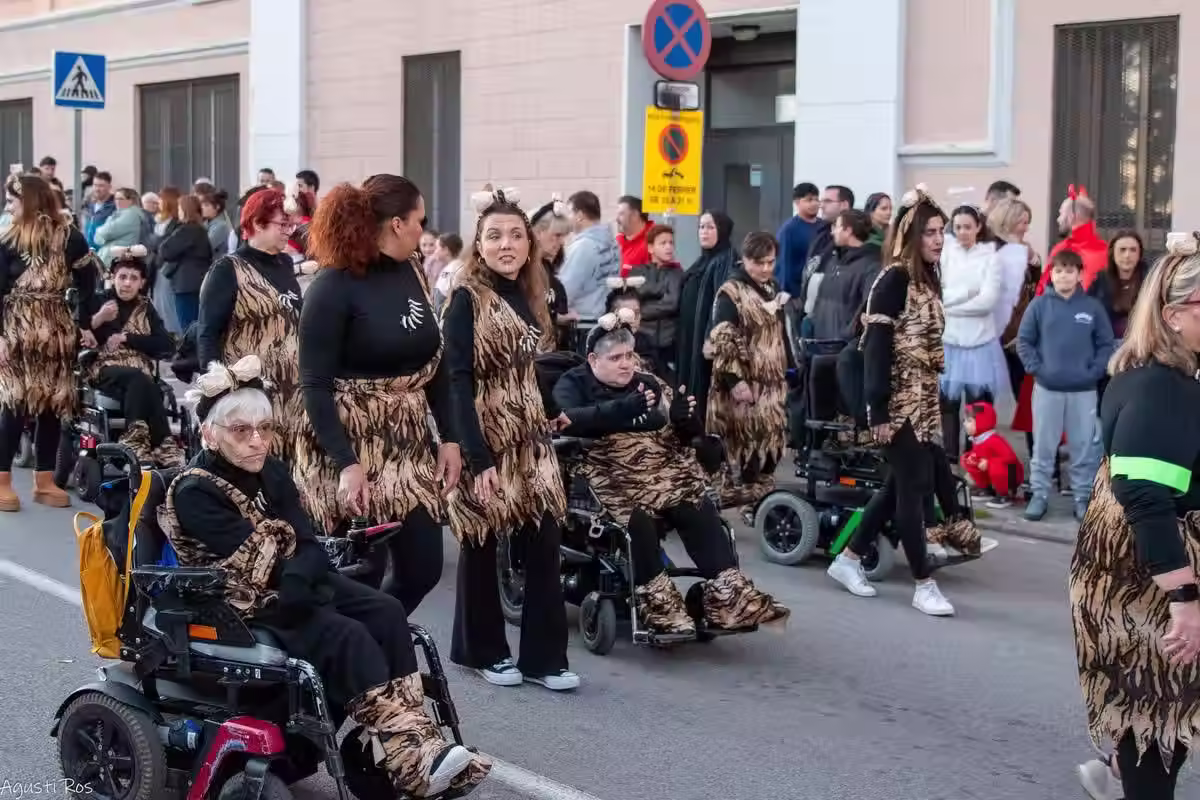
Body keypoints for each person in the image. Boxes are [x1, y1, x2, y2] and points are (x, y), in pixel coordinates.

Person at [164, 357, 489, 796]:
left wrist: (304, 562)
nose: (257, 441)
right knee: (345, 635)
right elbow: (264, 560)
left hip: (291, 583)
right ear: (209, 433)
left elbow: (305, 539)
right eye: (241, 431)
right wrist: (302, 561)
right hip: (235, 600)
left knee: (386, 609)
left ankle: (412, 746)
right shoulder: (194, 490)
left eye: (264, 428)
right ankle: (411, 756)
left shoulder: (270, 471)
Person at [554, 310, 788, 634]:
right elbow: (568, 420)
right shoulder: (573, 383)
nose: (626, 364)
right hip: (607, 469)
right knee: (639, 518)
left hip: (661, 466)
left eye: (630, 356)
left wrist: (683, 420)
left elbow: (683, 437)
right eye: (616, 358)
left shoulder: (649, 383)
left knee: (696, 504)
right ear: (593, 359)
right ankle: (659, 605)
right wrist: (623, 409)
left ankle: (728, 595)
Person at [1069, 231, 1200, 800]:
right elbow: (1146, 495)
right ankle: (1127, 767)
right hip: (1144, 587)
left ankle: (1119, 764)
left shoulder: (1161, 376)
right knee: (1157, 732)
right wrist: (1185, 601)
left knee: (1159, 724)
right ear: (1173, 315)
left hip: (1134, 578)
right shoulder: (1159, 388)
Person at [296, 175, 459, 612]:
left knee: (423, 568)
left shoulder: (410, 272)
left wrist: (449, 437)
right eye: (420, 221)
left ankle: (375, 637)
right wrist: (346, 464)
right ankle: (359, 659)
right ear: (397, 224)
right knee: (361, 574)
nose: (425, 232)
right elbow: (314, 384)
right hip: (351, 444)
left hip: (408, 443)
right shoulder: (332, 287)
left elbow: (435, 362)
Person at [443, 186, 578, 692]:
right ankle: (481, 650)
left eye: (516, 235)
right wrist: (475, 456)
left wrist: (552, 410)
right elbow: (455, 378)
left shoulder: (532, 293)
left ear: (530, 244)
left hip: (530, 437)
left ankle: (545, 658)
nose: (507, 245)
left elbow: (529, 369)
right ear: (479, 243)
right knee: (481, 540)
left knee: (544, 538)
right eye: (495, 235)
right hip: (482, 438)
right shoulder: (464, 297)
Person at [825, 185, 958, 616]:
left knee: (899, 484)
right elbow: (875, 348)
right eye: (930, 232)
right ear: (910, 236)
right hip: (896, 403)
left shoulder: (928, 277)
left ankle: (848, 559)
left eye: (942, 231)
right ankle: (923, 582)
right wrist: (877, 409)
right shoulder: (894, 278)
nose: (938, 239)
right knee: (913, 485)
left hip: (923, 399)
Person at [0, 174, 97, 511]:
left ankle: (45, 480)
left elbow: (88, 280)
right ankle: (2, 481)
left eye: (12, 199)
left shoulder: (70, 236)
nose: (8, 206)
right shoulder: (8, 238)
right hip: (16, 328)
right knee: (14, 403)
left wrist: (81, 320)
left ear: (29, 200)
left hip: (56, 330)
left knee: (51, 406)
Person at [197, 188, 303, 461]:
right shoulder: (227, 269)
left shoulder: (286, 263)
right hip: (250, 395)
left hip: (292, 394)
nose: (289, 231)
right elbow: (207, 333)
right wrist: (216, 394)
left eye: (292, 224)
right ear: (257, 223)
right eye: (283, 224)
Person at [1017, 249, 1113, 521]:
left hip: (1083, 391)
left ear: (1080, 274)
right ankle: (1039, 495)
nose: (1064, 276)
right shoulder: (1039, 306)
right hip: (1047, 389)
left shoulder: (1092, 308)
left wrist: (1094, 371)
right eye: (1058, 271)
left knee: (1083, 448)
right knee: (1044, 447)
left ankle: (1083, 497)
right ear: (1051, 273)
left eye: (1070, 271)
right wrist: (1037, 369)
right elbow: (1024, 341)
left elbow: (1106, 343)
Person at [705, 231, 792, 509]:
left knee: (772, 440)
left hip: (772, 381)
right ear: (744, 260)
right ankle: (746, 499)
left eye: (770, 262)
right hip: (745, 381)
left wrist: (791, 365)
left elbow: (779, 333)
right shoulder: (731, 292)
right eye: (759, 263)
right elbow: (723, 338)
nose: (766, 269)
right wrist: (734, 381)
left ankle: (761, 498)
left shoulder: (772, 287)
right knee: (746, 442)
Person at [86, 246, 182, 467]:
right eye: (122, 277)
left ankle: (154, 445)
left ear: (142, 283)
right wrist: (100, 318)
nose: (127, 283)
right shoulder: (99, 302)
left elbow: (166, 344)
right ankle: (148, 440)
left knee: (147, 382)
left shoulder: (146, 308)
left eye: (133, 278)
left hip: (140, 372)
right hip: (105, 368)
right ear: (113, 278)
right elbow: (78, 336)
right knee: (141, 379)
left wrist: (127, 338)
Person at [939, 204, 1007, 462]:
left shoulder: (991, 257)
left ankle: (977, 457)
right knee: (948, 404)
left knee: (978, 407)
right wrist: (967, 294)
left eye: (968, 226)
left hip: (980, 342)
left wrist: (951, 305)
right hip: (950, 341)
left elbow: (988, 301)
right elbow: (939, 295)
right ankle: (949, 458)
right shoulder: (945, 254)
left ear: (978, 227)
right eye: (958, 227)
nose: (963, 232)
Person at [677, 210, 738, 421]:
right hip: (690, 335)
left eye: (710, 227)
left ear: (722, 231)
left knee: (702, 386)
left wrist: (710, 337)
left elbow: (722, 302)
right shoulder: (703, 260)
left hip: (706, 338)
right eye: (701, 227)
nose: (704, 232)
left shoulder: (725, 260)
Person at [808, 209, 882, 340]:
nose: (832, 232)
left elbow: (867, 309)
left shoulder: (872, 266)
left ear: (848, 230)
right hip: (820, 345)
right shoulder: (833, 261)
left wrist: (847, 336)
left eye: (836, 227)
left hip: (844, 349)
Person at [624, 223, 683, 378]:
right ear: (650, 248)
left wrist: (641, 310)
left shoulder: (676, 273)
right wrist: (659, 291)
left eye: (671, 243)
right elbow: (630, 300)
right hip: (641, 342)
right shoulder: (637, 271)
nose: (668, 247)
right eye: (663, 243)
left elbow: (671, 303)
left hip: (667, 343)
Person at [559, 190, 620, 318]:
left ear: (580, 215)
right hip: (606, 317)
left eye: (570, 212)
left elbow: (565, 292)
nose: (567, 218)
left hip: (584, 321)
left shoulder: (584, 247)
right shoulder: (612, 243)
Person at [1037, 184, 1107, 295]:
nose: (1058, 219)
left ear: (1072, 216)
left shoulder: (1063, 249)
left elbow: (1043, 288)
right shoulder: (1105, 249)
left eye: (1061, 214)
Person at [158, 194, 213, 331]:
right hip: (197, 282)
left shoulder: (188, 229)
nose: (178, 211)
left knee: (188, 325)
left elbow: (165, 250)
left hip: (186, 284)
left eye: (180, 208)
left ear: (186, 209)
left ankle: (192, 352)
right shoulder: (200, 230)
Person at [960, 401, 1022, 509]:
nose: (965, 424)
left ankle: (1003, 494)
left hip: (1011, 475)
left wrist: (989, 462)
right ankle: (985, 489)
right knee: (967, 459)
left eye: (969, 421)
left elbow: (1010, 458)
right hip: (992, 471)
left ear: (982, 422)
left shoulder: (994, 440)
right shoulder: (978, 439)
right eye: (965, 420)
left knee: (995, 466)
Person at [776, 182, 824, 297]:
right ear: (797, 202)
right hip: (797, 293)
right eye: (809, 200)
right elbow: (784, 264)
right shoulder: (789, 230)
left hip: (820, 290)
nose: (814, 203)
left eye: (817, 200)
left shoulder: (824, 226)